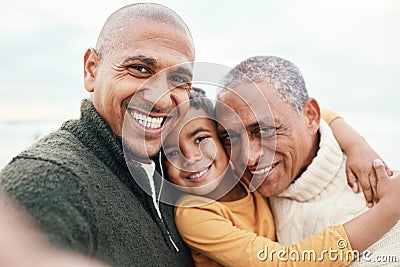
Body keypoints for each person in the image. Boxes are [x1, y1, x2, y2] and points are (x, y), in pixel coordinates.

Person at [0, 3, 195, 266]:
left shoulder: (175, 169)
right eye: (140, 69)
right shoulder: (49, 181)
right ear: (91, 69)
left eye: (179, 80)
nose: (161, 101)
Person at [163, 87, 400, 266]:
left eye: (201, 139)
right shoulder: (194, 213)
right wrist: (388, 210)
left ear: (226, 139)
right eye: (171, 152)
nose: (191, 157)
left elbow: (313, 114)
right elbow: (280, 261)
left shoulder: (240, 170)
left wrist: (357, 145)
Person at [217, 55, 400, 266]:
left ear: (310, 117)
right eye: (229, 138)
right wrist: (354, 141)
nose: (248, 159)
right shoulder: (233, 186)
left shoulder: (381, 208)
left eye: (266, 130)